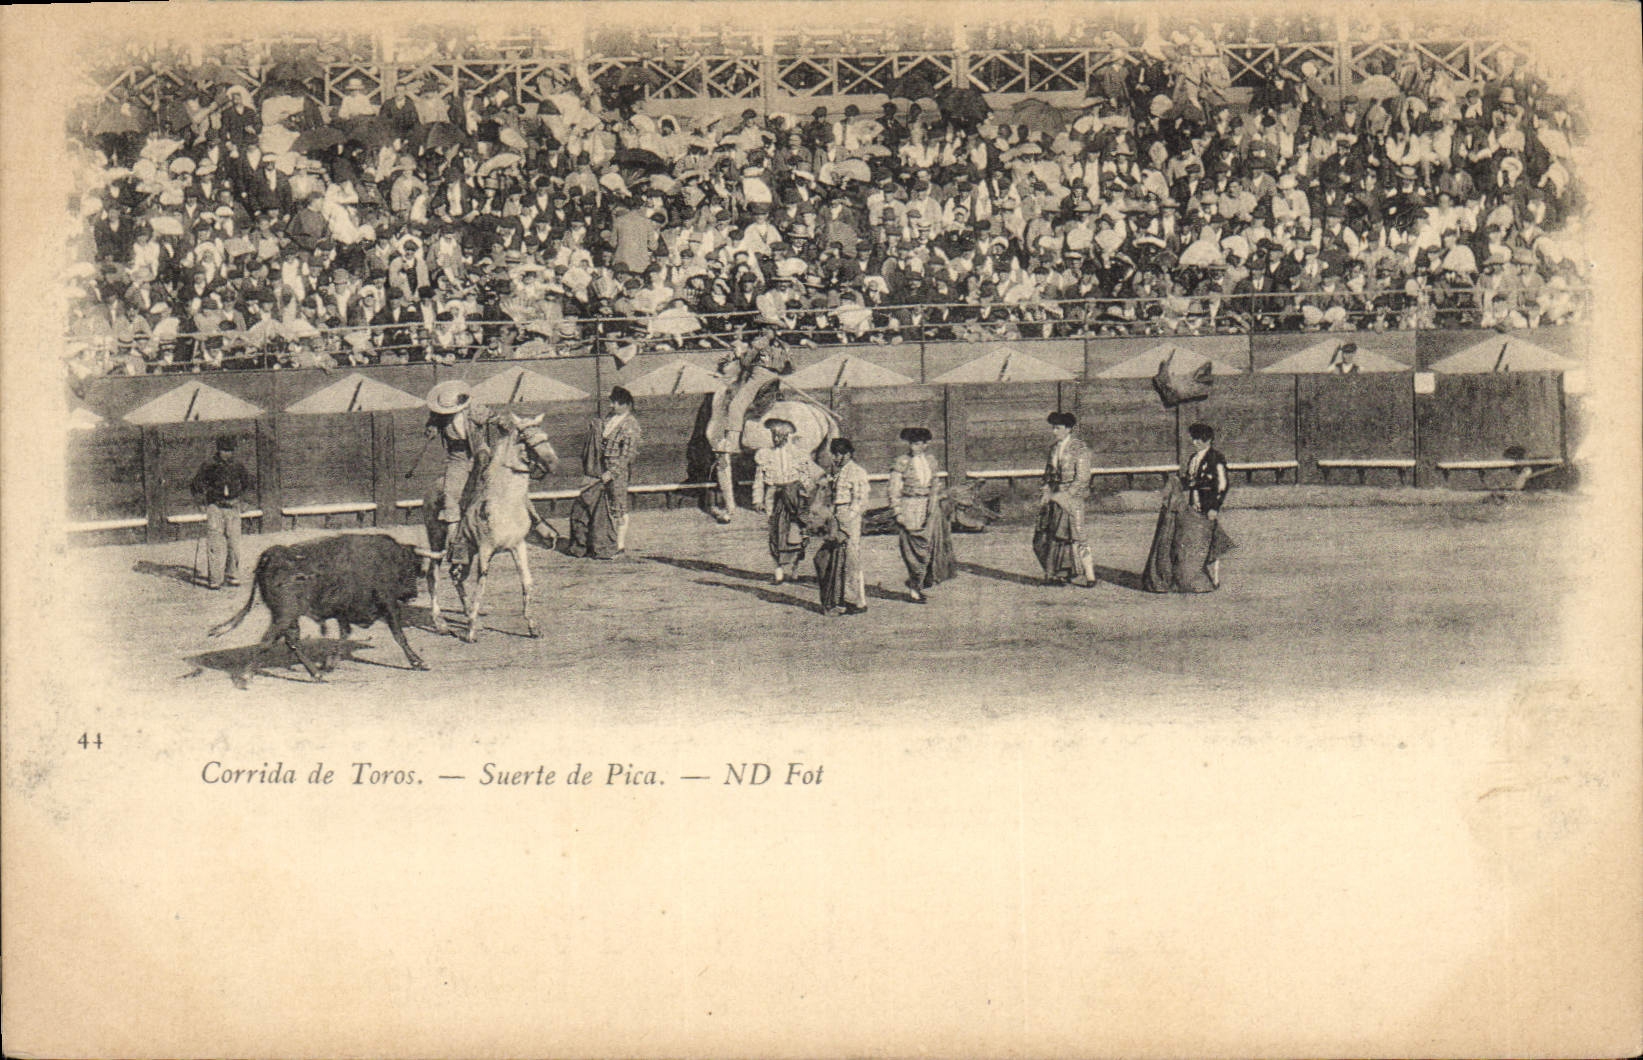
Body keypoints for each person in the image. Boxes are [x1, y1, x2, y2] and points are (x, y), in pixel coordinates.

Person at [1143, 422, 1235, 593]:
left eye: (1198, 439)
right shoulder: (1194, 458)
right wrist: (1177, 482)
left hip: (1207, 506)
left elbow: (1222, 485)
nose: (1194, 442)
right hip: (1192, 506)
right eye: (1194, 438)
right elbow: (1189, 481)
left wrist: (1215, 507)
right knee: (1190, 543)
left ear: (1208, 440)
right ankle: (1192, 577)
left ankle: (1213, 578)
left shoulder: (1216, 458)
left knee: (1209, 542)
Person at [569, 387, 641, 559]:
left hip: (616, 473)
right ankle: (602, 543)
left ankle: (619, 546)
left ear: (624, 404)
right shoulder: (610, 418)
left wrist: (613, 472)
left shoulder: (631, 425)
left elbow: (628, 455)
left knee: (618, 506)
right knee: (599, 505)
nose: (611, 405)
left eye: (614, 402)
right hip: (600, 470)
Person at [887, 427, 954, 603]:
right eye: (911, 443)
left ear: (925, 444)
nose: (913, 447)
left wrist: (936, 500)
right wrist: (898, 512)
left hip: (929, 507)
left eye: (917, 444)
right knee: (914, 549)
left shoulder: (931, 461)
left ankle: (920, 583)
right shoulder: (901, 462)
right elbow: (894, 490)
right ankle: (915, 588)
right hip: (910, 506)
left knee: (929, 547)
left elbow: (935, 484)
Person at [1034, 412, 1098, 588]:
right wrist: (1046, 492)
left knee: (1078, 535)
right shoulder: (1053, 449)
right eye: (1053, 428)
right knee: (1052, 536)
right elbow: (1047, 475)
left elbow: (1083, 477)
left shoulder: (1079, 448)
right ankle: (1057, 574)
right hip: (1055, 497)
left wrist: (1067, 495)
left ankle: (1090, 576)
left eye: (1058, 428)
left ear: (1068, 429)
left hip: (1072, 498)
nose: (1054, 431)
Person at [751, 417, 817, 584]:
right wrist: (757, 500)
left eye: (779, 435)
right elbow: (759, 480)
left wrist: (806, 497)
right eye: (773, 434)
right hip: (774, 496)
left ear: (787, 436)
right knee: (775, 532)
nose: (775, 438)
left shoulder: (797, 453)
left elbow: (806, 478)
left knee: (797, 531)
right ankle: (778, 571)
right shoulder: (765, 455)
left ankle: (795, 569)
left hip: (794, 496)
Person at [189, 434, 253, 590]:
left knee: (234, 544)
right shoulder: (209, 465)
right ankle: (215, 578)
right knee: (215, 544)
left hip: (233, 507)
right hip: (215, 507)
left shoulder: (238, 466)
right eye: (224, 450)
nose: (227, 453)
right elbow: (196, 484)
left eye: (230, 450)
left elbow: (249, 483)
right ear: (218, 450)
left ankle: (232, 575)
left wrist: (246, 501)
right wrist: (201, 502)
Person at [815, 437, 870, 616]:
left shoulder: (857, 472)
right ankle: (843, 599)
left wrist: (848, 518)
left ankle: (858, 602)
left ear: (848, 454)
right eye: (834, 454)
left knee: (851, 558)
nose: (835, 458)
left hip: (849, 519)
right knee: (837, 558)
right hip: (837, 517)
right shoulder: (838, 472)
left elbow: (860, 500)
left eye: (838, 454)